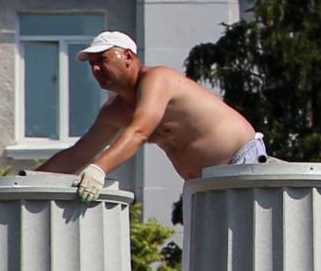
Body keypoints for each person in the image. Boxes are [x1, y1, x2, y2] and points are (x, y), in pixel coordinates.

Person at [38, 31, 265, 195]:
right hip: (202, 184)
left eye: (103, 60)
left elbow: (140, 131)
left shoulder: (158, 78)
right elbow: (76, 155)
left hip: (241, 161)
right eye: (92, 64)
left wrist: (99, 169)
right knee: (208, 256)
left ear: (128, 57)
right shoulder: (114, 110)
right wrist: (26, 182)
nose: (96, 69)